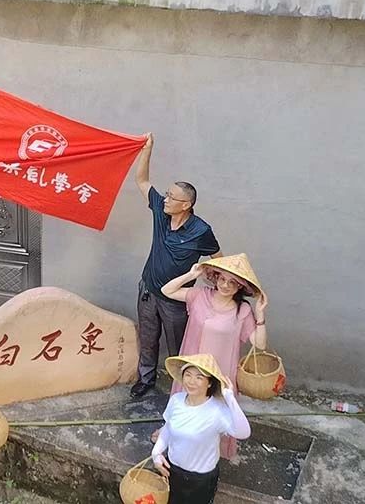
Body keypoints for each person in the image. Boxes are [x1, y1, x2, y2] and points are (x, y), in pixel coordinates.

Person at [132, 133, 222, 399]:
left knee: (178, 346)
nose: (165, 199)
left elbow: (218, 259)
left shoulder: (201, 230)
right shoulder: (161, 213)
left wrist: (217, 291)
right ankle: (145, 379)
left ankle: (182, 390)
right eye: (166, 194)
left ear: (186, 205)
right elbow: (142, 180)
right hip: (148, 291)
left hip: (176, 301)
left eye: (171, 197)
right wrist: (147, 149)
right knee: (148, 339)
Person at [160, 253, 267, 459]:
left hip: (220, 371)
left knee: (215, 412)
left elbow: (260, 344)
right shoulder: (199, 296)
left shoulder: (242, 310)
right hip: (193, 366)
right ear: (215, 277)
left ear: (240, 287)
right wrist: (191, 275)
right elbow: (167, 290)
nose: (225, 285)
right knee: (186, 402)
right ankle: (174, 438)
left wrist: (260, 315)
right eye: (222, 279)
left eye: (232, 282)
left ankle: (208, 454)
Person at [151, 354, 251, 504]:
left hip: (201, 480)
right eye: (188, 375)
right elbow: (168, 429)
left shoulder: (217, 411)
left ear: (209, 383)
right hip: (173, 470)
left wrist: (230, 398)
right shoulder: (176, 400)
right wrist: (156, 453)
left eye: (199, 377)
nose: (191, 381)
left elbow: (243, 432)